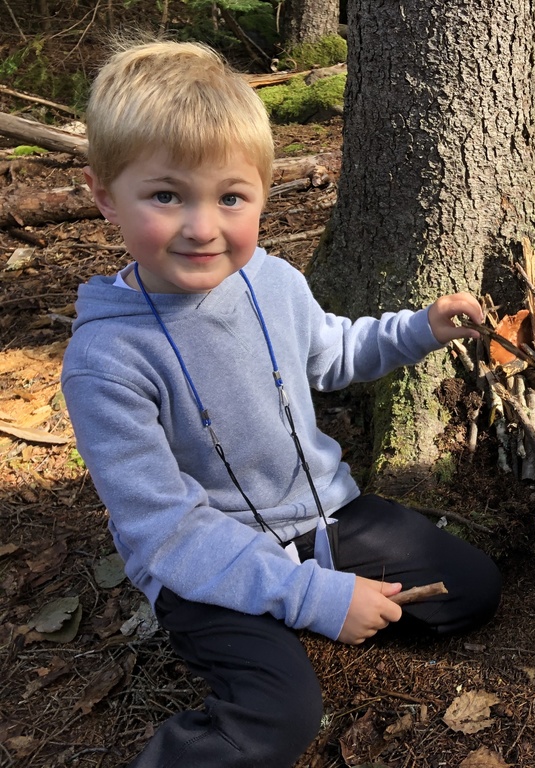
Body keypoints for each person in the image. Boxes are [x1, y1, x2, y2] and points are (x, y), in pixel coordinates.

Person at [61, 40, 501, 768]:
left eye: (230, 197)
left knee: (471, 587)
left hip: (326, 519)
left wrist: (420, 328)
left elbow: (334, 351)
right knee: (281, 715)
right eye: (166, 195)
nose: (203, 227)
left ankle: (313, 601)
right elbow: (169, 531)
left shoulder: (274, 281)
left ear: (263, 194)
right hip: (210, 567)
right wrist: (317, 600)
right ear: (106, 194)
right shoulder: (106, 361)